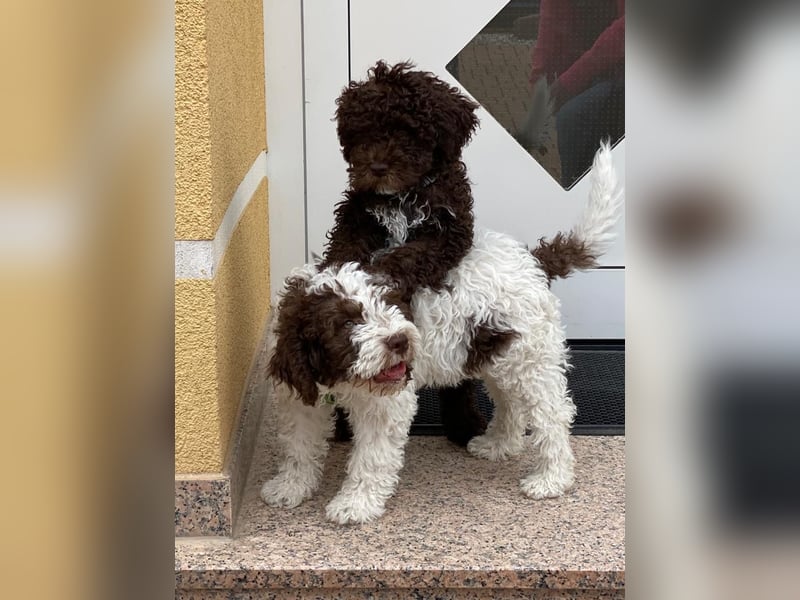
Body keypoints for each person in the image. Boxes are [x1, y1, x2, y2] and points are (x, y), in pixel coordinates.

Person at [529, 0, 625, 187]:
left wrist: (571, 80)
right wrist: (539, 87)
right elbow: (549, 29)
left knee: (572, 118)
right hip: (589, 71)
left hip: (623, 67)